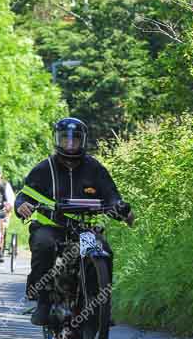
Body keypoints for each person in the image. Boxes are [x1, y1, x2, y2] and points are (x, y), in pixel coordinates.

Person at [15, 117, 134, 325]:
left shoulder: (94, 168)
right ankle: (43, 302)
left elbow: (111, 195)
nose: (70, 144)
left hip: (84, 230)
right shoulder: (45, 168)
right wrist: (21, 206)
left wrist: (122, 210)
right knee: (44, 245)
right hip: (51, 227)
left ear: (83, 141)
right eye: (65, 139)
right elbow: (24, 195)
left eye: (75, 140)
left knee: (102, 250)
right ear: (57, 140)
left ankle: (101, 306)